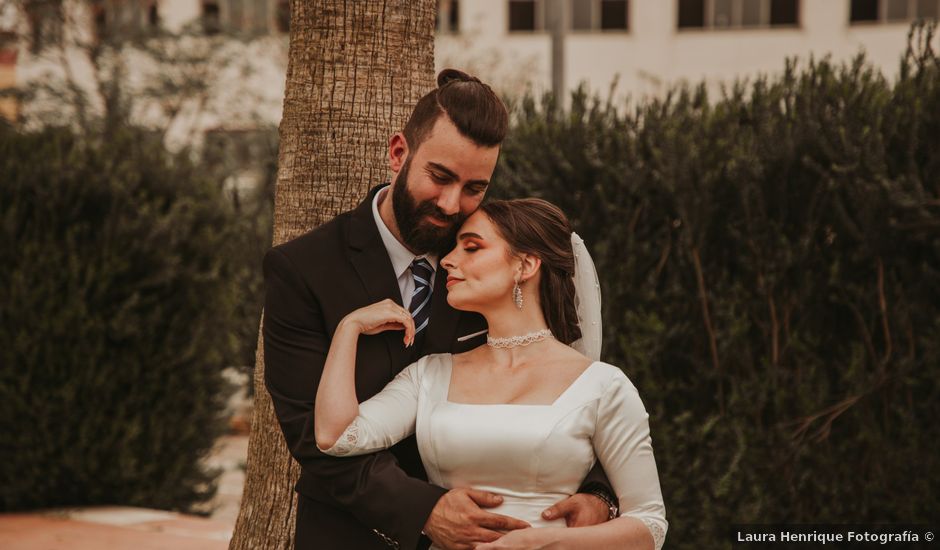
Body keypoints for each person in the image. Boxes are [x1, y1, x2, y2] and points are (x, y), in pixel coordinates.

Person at [262, 69, 618, 550]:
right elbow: (311, 436)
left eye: (475, 188)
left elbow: (569, 384)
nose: (452, 205)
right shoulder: (302, 269)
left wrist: (598, 494)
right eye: (440, 177)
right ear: (398, 153)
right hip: (348, 536)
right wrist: (425, 510)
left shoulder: (494, 260)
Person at [314, 198, 668, 550]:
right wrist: (350, 327)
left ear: (525, 265)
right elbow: (337, 435)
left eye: (471, 247)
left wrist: (550, 542)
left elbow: (650, 525)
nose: (449, 260)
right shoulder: (430, 374)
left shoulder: (603, 385)